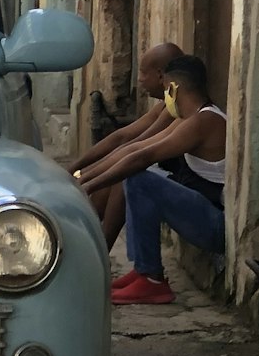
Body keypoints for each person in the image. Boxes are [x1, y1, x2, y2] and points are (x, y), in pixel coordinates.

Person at [77, 54, 227, 306]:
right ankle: (142, 271)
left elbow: (144, 156)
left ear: (172, 88)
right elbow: (133, 148)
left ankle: (152, 280)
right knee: (132, 176)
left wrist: (89, 184)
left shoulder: (204, 121)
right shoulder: (187, 119)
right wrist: (82, 178)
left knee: (139, 180)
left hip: (216, 226)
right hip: (203, 211)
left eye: (167, 91)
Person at [68, 41, 184, 249]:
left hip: (187, 186)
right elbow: (122, 137)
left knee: (125, 174)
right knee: (115, 174)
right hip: (170, 176)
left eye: (142, 73)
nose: (139, 80)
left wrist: (84, 177)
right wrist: (75, 168)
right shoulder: (167, 105)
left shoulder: (178, 109)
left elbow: (135, 148)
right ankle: (87, 242)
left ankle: (100, 247)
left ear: (160, 75)